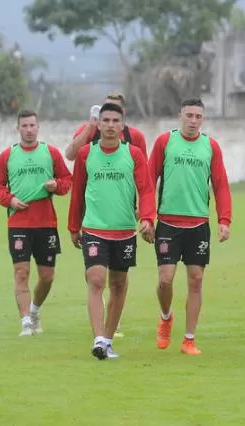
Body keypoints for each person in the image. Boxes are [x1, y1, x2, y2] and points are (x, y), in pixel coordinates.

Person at [68, 102, 156, 360]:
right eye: (105, 120)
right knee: (96, 279)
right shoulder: (86, 154)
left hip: (125, 231)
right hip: (94, 229)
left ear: (122, 124)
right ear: (98, 124)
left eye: (115, 121)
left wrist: (148, 218)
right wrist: (74, 225)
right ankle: (97, 338)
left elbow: (147, 189)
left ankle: (107, 340)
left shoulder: (134, 154)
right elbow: (78, 192)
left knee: (118, 284)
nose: (109, 125)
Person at [149, 98, 232, 356]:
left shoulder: (211, 146)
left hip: (198, 224)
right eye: (189, 115)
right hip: (168, 223)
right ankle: (165, 317)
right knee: (165, 280)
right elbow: (148, 180)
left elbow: (220, 184)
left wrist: (224, 220)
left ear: (203, 119)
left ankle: (188, 339)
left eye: (198, 116)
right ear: (180, 116)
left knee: (196, 280)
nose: (193, 121)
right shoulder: (165, 142)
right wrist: (147, 216)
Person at [0, 110, 73, 336]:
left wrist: (56, 184)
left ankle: (34, 310)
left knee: (47, 277)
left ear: (38, 127)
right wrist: (10, 200)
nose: (28, 129)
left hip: (46, 223)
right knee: (21, 272)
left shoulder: (50, 153)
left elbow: (67, 181)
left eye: (32, 125)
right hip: (18, 225)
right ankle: (25, 320)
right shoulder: (8, 155)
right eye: (24, 126)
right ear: (18, 128)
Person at [65, 92, 148, 162]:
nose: (110, 111)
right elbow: (70, 156)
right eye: (107, 107)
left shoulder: (135, 136)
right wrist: (89, 127)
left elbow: (144, 169)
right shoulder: (89, 129)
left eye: (114, 108)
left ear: (123, 112)